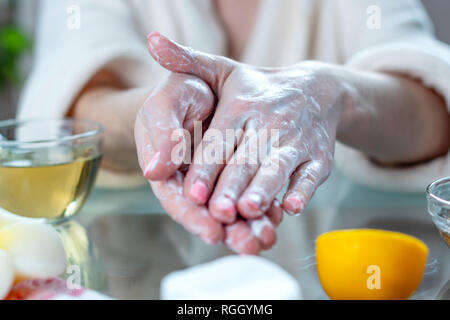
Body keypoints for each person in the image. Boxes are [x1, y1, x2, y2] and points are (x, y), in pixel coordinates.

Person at [19, 0, 450, 254]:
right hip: (134, 263)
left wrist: (331, 92)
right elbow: (72, 103)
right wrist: (163, 114)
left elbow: (430, 95)